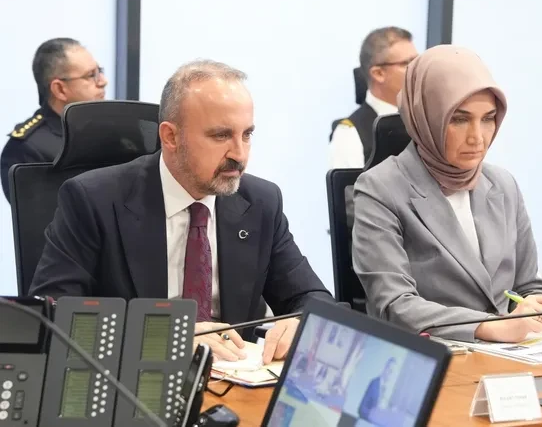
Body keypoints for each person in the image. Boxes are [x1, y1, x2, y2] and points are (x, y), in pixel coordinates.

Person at [29, 59, 332, 362]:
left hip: (234, 376)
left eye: (247, 134)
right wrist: (170, 339)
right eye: (221, 135)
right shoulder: (93, 199)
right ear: (170, 137)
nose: (239, 154)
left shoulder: (260, 201)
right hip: (136, 374)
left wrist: (300, 323)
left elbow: (313, 298)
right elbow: (53, 315)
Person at [352, 45, 542, 343]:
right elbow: (395, 305)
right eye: (459, 119)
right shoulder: (380, 188)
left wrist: (535, 307)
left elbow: (528, 286)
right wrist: (489, 327)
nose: (478, 138)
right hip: (435, 352)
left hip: (511, 353)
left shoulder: (503, 184)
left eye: (488, 118)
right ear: (427, 117)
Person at [1, 38, 107, 201]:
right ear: (60, 89)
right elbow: (40, 215)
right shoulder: (26, 149)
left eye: (99, 71)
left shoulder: (110, 130)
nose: (103, 81)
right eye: (91, 75)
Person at [329, 27, 418, 169]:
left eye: (418, 61)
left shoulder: (425, 121)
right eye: (408, 63)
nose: (417, 69)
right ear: (378, 73)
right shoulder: (350, 134)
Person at [358, 357, 395, 422]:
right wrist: (374, 416)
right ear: (385, 368)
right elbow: (361, 409)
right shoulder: (374, 383)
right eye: (390, 370)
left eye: (392, 372)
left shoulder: (389, 391)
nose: (390, 374)